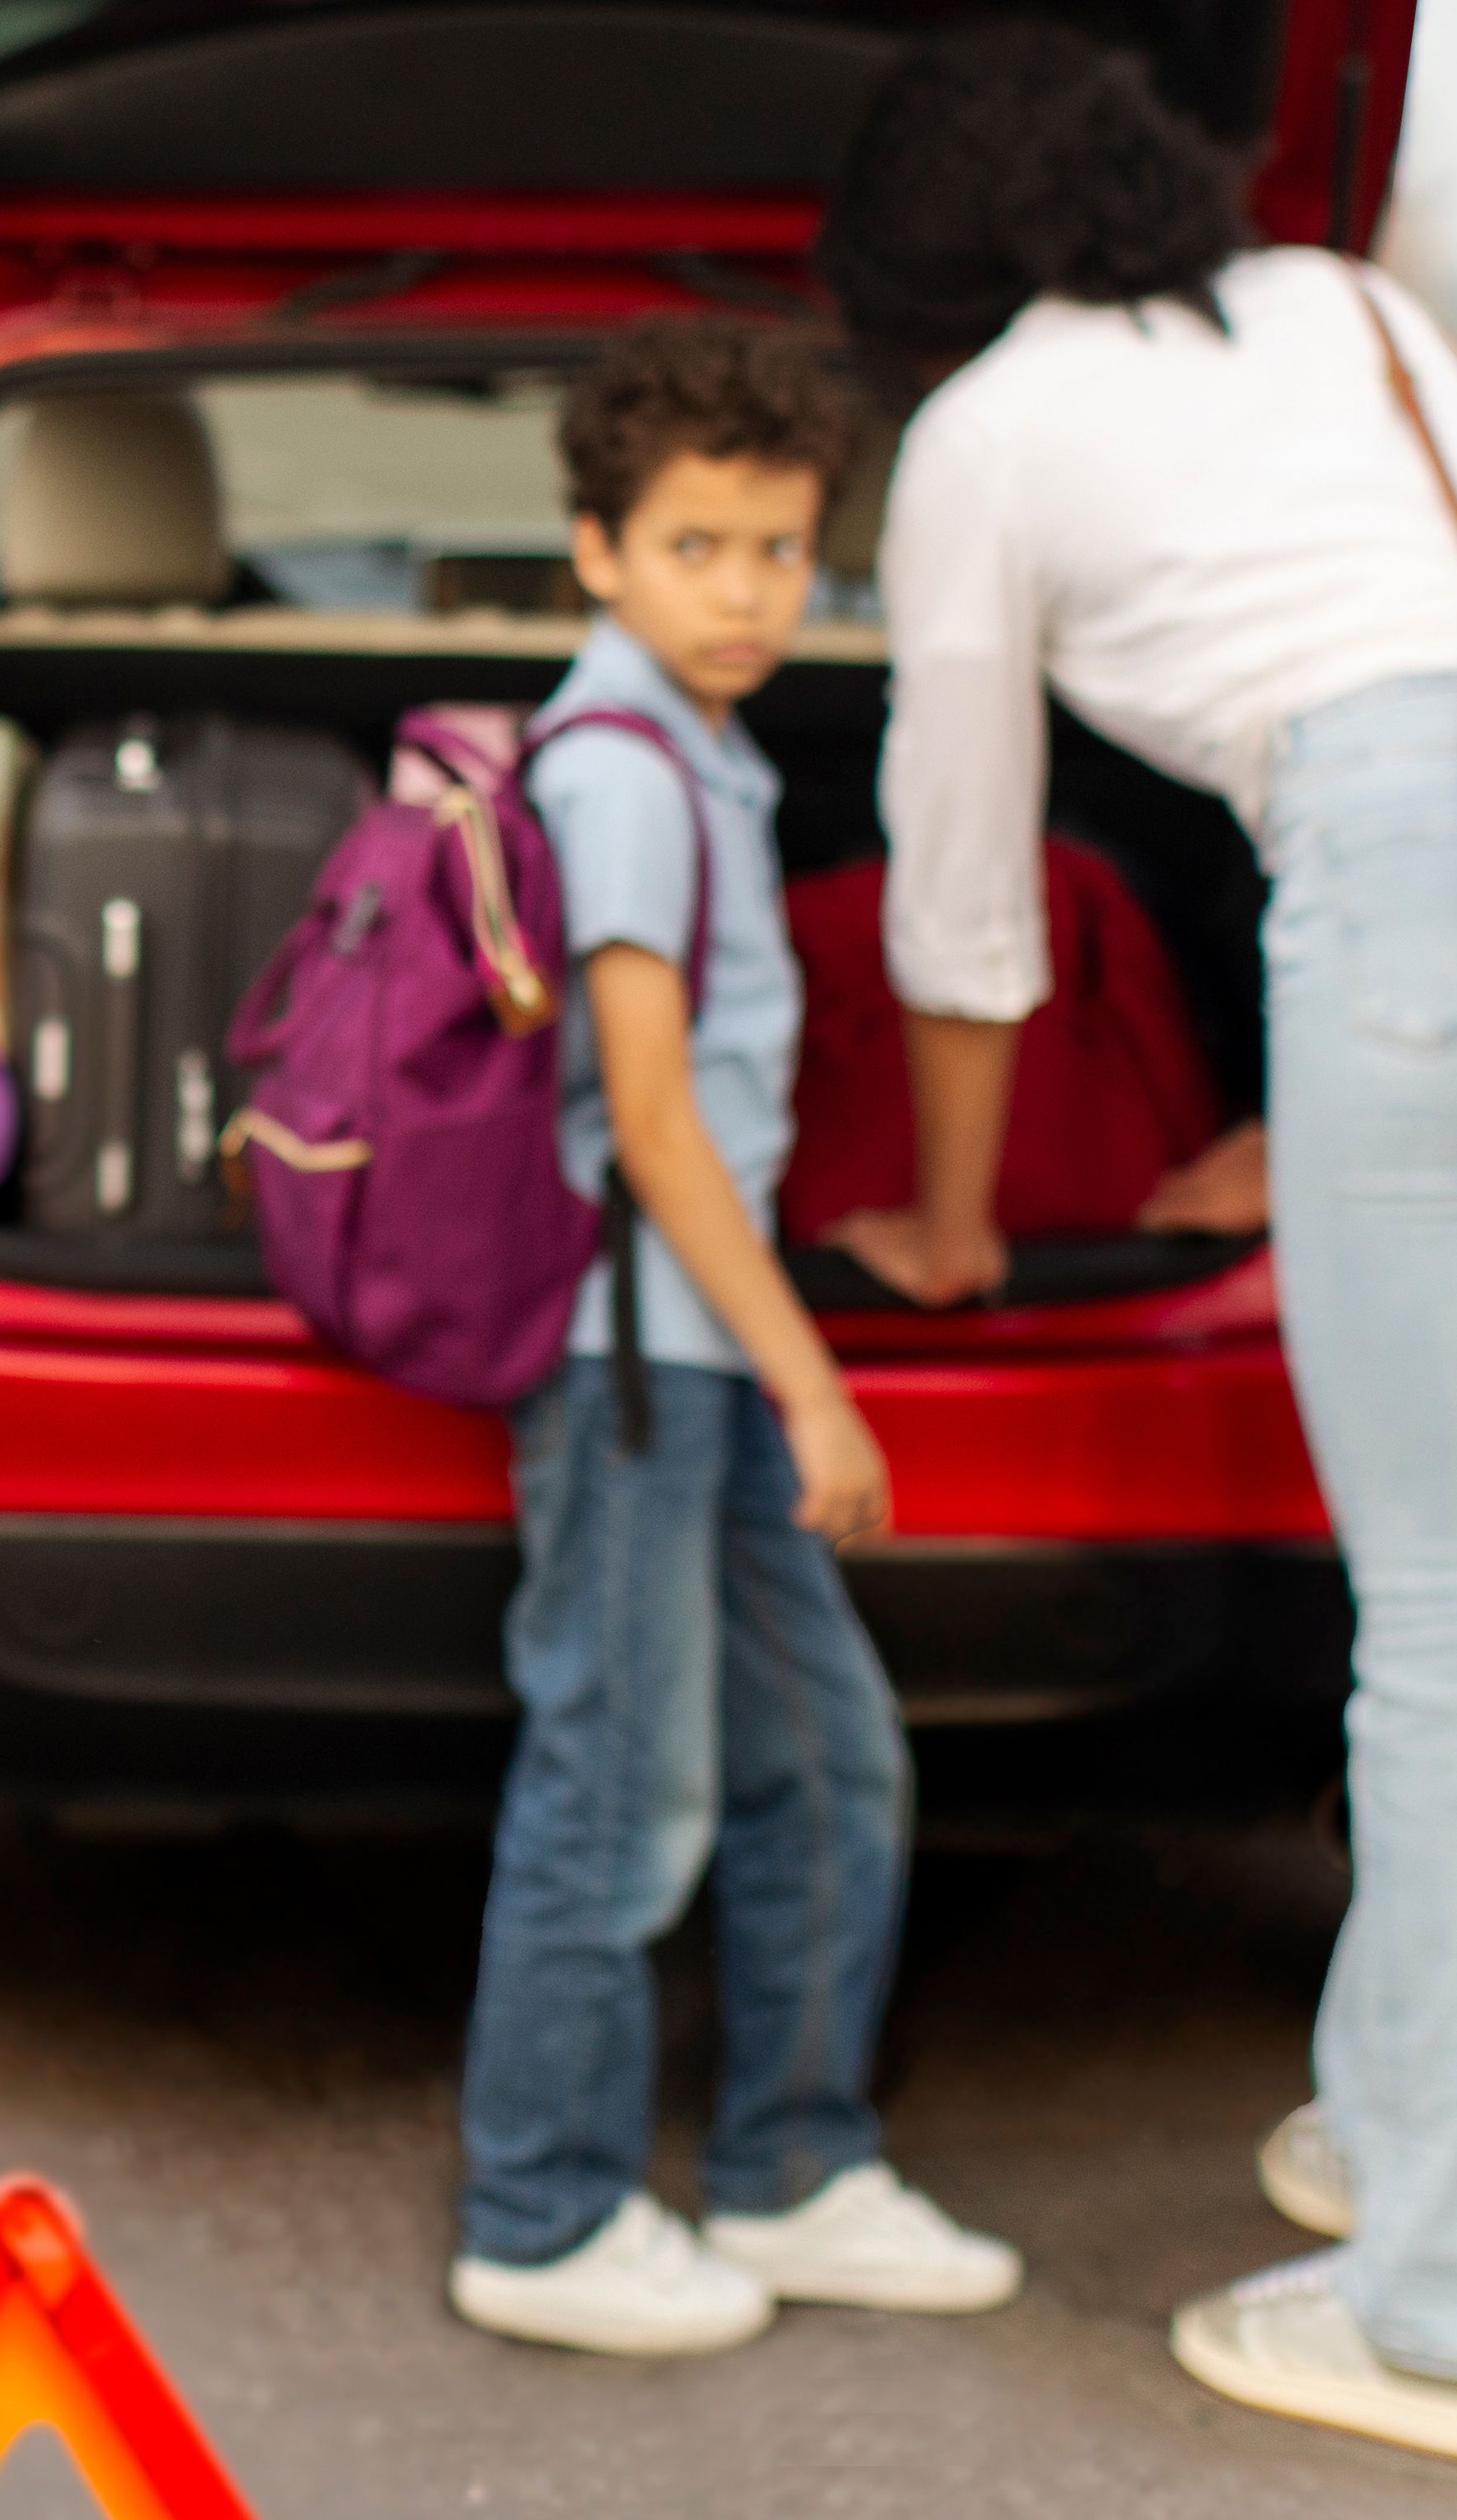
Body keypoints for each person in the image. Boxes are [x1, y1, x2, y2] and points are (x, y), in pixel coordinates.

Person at [817, 25, 1457, 2468]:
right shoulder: (1345, 307)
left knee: (1449, 1604)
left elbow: (961, 895)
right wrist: (1336, 1105)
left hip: (1428, 886)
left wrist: (951, 1217)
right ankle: (1395, 2121)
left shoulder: (983, 436)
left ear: (917, 263)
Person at [446, 319, 1028, 2356]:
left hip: (690, 1350)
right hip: (644, 1363)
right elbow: (653, 1117)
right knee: (623, 1788)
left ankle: (791, 2168)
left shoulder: (702, 749)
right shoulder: (618, 773)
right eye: (697, 545)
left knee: (826, 1760)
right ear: (596, 549)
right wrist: (813, 1379)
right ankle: (539, 2213)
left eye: (782, 549)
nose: (750, 591)